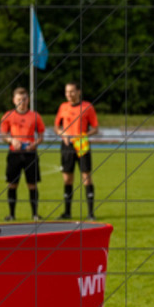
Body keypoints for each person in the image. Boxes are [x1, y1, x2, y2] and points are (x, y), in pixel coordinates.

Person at [0, 87, 45, 221]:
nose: (22, 102)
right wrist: (12, 140)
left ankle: (35, 214)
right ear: (14, 100)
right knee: (12, 184)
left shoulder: (35, 116)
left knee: (32, 184)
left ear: (28, 100)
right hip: (14, 154)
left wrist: (34, 144)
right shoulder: (8, 115)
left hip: (30, 154)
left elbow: (41, 136)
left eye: (24, 99)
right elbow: (4, 135)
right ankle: (12, 215)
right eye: (19, 99)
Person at [54, 82, 99, 220]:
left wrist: (83, 135)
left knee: (86, 177)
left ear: (79, 92)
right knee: (67, 179)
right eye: (67, 92)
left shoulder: (87, 107)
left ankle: (90, 213)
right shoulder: (63, 107)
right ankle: (67, 212)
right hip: (67, 145)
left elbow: (95, 128)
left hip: (81, 144)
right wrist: (63, 134)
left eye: (72, 91)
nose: (69, 94)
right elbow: (57, 127)